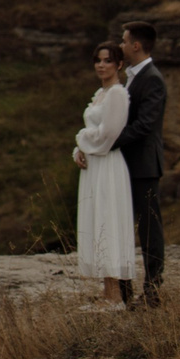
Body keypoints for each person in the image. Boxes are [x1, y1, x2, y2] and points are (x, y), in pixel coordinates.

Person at [70, 43, 138, 303]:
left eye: (108, 61)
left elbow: (109, 134)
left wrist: (81, 138)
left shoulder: (118, 94)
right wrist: (79, 149)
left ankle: (116, 297)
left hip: (108, 163)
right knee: (97, 221)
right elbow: (94, 134)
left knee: (108, 221)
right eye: (98, 60)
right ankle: (107, 292)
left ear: (119, 64)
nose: (101, 65)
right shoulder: (100, 92)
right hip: (94, 165)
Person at [113, 20, 167, 305]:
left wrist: (110, 140)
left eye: (123, 41)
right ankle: (124, 290)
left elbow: (145, 125)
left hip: (144, 164)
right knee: (124, 226)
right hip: (127, 163)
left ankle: (153, 290)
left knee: (149, 227)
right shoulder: (131, 76)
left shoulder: (152, 78)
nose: (121, 45)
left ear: (136, 45)